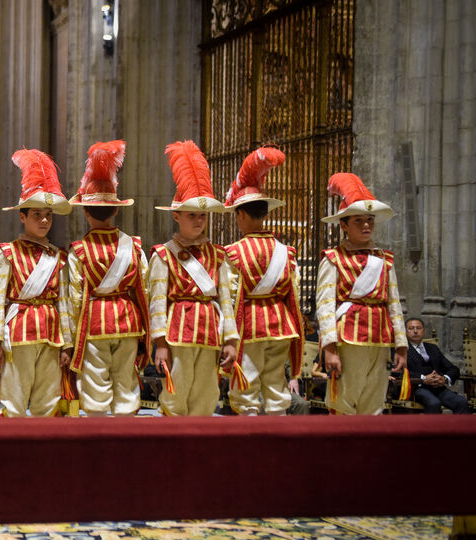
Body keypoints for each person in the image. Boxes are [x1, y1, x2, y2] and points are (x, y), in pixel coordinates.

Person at [149, 140, 239, 416]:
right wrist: (160, 344)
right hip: (177, 333)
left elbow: (226, 301)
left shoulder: (219, 255)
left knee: (207, 397)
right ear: (176, 216)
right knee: (176, 397)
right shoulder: (164, 255)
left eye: (202, 215)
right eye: (192, 215)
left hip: (210, 334)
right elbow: (157, 303)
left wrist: (231, 340)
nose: (199, 221)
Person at [65, 141, 149, 416]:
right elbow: (143, 289)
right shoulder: (134, 247)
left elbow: (74, 298)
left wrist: (71, 339)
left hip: (94, 323)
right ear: (116, 209)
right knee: (126, 387)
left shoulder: (79, 251)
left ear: (85, 212)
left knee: (95, 391)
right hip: (129, 321)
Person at [0, 148, 72, 417]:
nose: (45, 220)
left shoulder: (58, 257)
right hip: (19, 332)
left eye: (48, 214)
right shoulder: (7, 253)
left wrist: (66, 342)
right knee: (14, 399)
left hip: (50, 332)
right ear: (22, 217)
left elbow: (65, 301)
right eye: (37, 215)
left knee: (48, 401)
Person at [316, 173, 406, 415]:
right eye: (359, 221)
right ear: (344, 225)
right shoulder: (333, 259)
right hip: (348, 338)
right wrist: (330, 349)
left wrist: (401, 345)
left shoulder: (385, 260)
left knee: (375, 404)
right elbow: (325, 306)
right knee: (344, 401)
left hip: (380, 338)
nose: (366, 225)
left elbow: (394, 303)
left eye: (370, 220)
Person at [223, 147, 304, 415]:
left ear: (241, 215)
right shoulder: (286, 252)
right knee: (276, 389)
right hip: (281, 326)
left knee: (246, 392)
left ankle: (248, 446)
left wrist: (229, 338)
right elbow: (296, 294)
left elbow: (230, 299)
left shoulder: (233, 253)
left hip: (249, 328)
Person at [403, 317, 470, 414]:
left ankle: (459, 429)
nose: (415, 331)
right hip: (416, 389)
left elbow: (453, 369)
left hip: (438, 388)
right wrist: (423, 378)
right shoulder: (402, 350)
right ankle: (433, 429)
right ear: (405, 331)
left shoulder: (432, 348)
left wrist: (444, 378)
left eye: (418, 328)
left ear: (424, 331)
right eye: (411, 328)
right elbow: (399, 372)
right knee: (434, 403)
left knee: (461, 402)